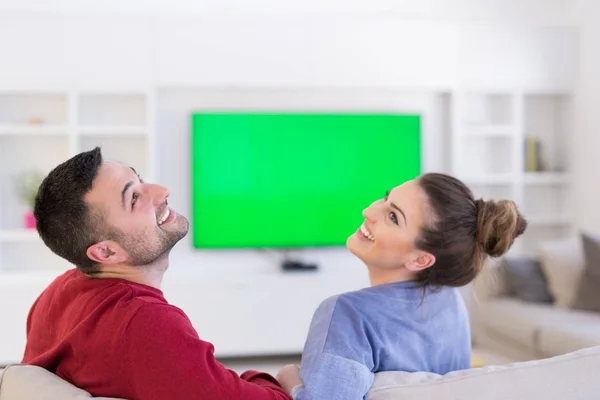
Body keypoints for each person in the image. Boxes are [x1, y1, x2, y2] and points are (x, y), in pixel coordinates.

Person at [22, 147, 291, 400]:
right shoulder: (145, 323)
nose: (162, 191)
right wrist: (278, 379)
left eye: (139, 179)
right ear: (106, 253)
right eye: (134, 199)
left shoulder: (58, 292)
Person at [276, 173, 527, 400]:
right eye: (385, 199)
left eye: (393, 217)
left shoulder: (347, 313)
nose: (368, 211)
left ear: (420, 259)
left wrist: (288, 377)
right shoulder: (451, 301)